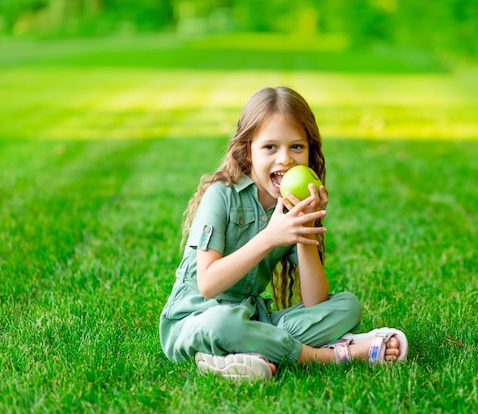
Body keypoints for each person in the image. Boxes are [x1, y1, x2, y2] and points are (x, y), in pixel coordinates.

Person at [159, 86, 408, 381]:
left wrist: (305, 227)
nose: (285, 159)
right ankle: (334, 355)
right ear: (247, 151)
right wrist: (269, 237)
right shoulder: (221, 195)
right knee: (224, 324)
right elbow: (208, 284)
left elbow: (316, 300)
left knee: (347, 306)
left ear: (309, 152)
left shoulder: (289, 210)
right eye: (270, 147)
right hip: (196, 322)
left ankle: (239, 356)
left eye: (296, 147)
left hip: (251, 320)